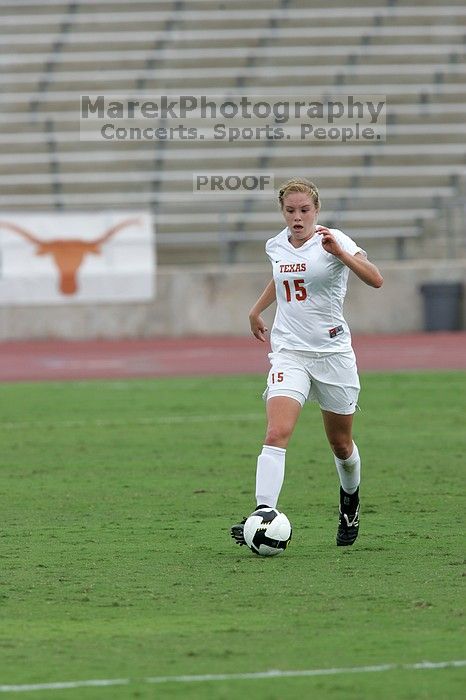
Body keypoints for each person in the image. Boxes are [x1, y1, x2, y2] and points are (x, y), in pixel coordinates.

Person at [231, 177, 383, 547]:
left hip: (332, 355)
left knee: (341, 445)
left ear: (316, 210)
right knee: (276, 433)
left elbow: (376, 279)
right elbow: (282, 279)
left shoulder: (334, 240)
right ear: (282, 212)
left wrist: (341, 255)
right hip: (290, 352)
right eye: (290, 211)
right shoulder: (276, 245)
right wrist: (256, 309)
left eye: (304, 210)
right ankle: (263, 513)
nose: (297, 217)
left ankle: (350, 501)